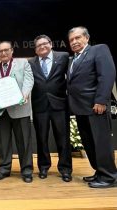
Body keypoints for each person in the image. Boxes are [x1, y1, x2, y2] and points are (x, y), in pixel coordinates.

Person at [67, 26, 117, 188]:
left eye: (78, 38)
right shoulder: (73, 59)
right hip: (81, 109)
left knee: (101, 143)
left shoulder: (99, 50)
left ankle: (109, 176)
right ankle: (99, 171)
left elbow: (107, 75)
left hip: (96, 107)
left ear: (87, 38)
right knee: (89, 143)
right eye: (71, 40)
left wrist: (101, 100)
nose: (74, 42)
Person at [0, 41, 34, 183]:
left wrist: (24, 94)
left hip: (20, 108)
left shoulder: (23, 63)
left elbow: (29, 80)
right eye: (0, 51)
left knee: (24, 142)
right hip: (1, 111)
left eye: (6, 50)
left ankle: (27, 170)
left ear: (12, 51)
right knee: (3, 142)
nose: (3, 53)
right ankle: (4, 169)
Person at [28, 35, 72, 182]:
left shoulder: (63, 57)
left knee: (63, 138)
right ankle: (44, 167)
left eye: (44, 44)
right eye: (38, 45)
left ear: (51, 44)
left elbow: (71, 78)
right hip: (40, 106)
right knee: (41, 139)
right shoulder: (31, 62)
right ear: (35, 49)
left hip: (59, 104)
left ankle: (65, 169)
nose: (42, 47)